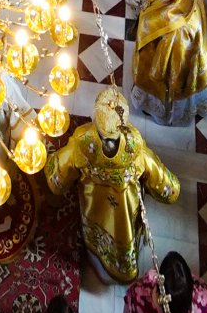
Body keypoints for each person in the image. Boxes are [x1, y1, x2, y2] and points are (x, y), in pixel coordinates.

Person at [44, 88, 180, 284]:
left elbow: (57, 177)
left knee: (96, 243)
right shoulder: (135, 150)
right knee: (124, 236)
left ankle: (97, 263)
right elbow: (169, 189)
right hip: (124, 212)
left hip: (94, 209)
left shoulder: (83, 143)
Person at [131, 0, 207, 124]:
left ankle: (162, 113)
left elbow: (170, 70)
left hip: (173, 63)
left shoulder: (178, 29)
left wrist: (152, 71)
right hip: (176, 42)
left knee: (166, 91)